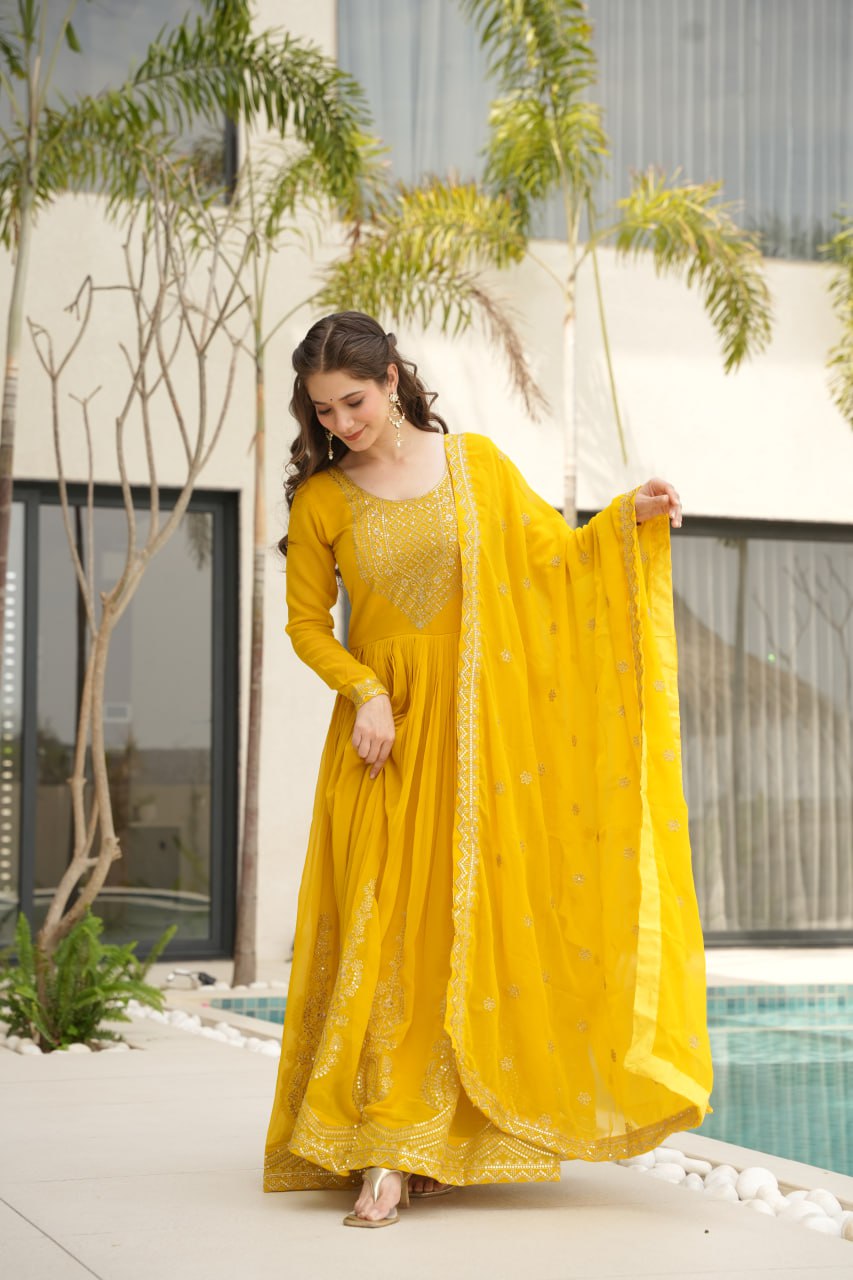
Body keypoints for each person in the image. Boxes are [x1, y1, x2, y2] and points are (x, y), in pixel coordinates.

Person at [263, 311, 712, 1229]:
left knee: (458, 934)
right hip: (384, 746)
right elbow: (306, 623)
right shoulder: (323, 501)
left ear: (391, 379)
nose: (341, 423)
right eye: (324, 411)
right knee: (384, 932)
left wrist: (624, 520)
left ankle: (443, 1136)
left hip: (481, 747)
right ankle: (382, 1143)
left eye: (353, 402)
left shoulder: (476, 468)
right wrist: (365, 691)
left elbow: (553, 565)